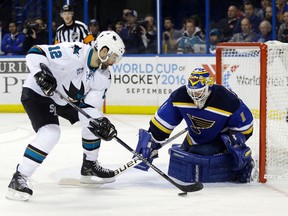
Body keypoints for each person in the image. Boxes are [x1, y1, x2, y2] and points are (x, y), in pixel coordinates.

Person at [6, 30, 125, 201]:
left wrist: (101, 124)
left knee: (95, 123)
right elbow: (35, 52)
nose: (115, 62)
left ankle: (89, 166)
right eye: (114, 56)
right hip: (39, 93)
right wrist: (42, 74)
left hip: (65, 100)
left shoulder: (103, 77)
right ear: (104, 51)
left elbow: (90, 109)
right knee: (51, 133)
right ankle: (19, 177)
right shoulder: (74, 52)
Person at [134, 68, 254, 183]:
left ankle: (247, 164)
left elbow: (245, 127)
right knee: (187, 151)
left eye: (199, 92)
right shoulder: (180, 96)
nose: (195, 97)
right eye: (192, 93)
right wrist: (151, 143)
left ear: (209, 87)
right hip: (194, 137)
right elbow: (161, 124)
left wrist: (235, 141)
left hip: (219, 138)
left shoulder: (226, 99)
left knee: (205, 151)